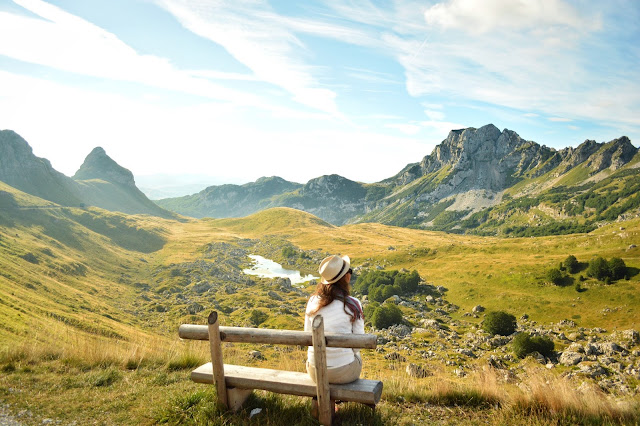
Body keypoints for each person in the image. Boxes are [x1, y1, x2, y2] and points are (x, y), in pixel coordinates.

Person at [304, 254, 364, 384]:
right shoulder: (353, 304)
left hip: (315, 370)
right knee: (357, 357)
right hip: (342, 372)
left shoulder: (313, 301)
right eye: (350, 272)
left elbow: (307, 334)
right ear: (346, 277)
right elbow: (358, 345)